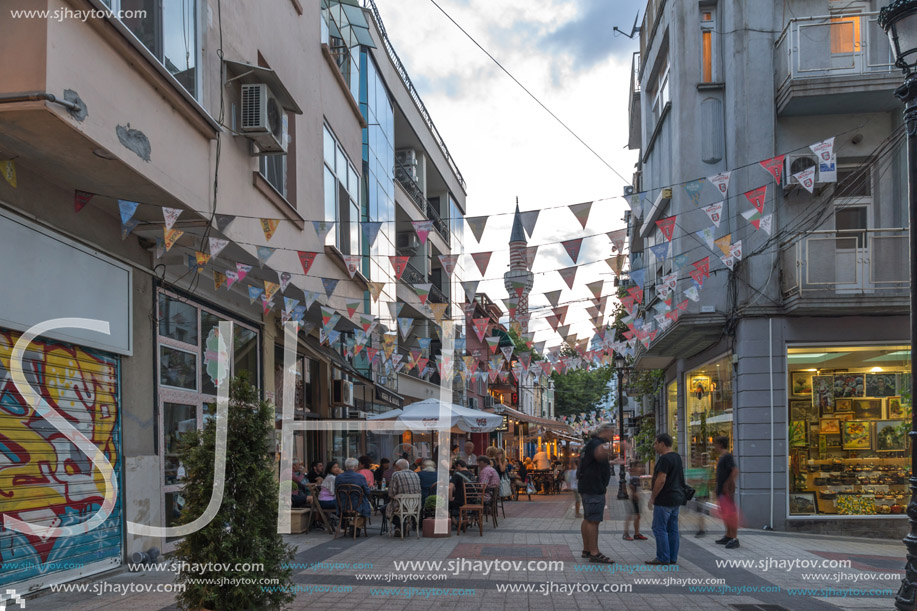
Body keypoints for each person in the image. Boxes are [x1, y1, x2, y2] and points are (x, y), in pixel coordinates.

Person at [578, 422, 617, 564]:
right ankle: (594, 552)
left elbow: (594, 460)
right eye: (612, 432)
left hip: (588, 486)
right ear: (605, 431)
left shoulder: (590, 443)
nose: (613, 435)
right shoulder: (597, 443)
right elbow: (599, 452)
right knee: (593, 520)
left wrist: (611, 463)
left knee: (588, 518)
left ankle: (586, 549)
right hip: (593, 487)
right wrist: (617, 447)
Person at [647, 433, 687, 566]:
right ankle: (672, 557)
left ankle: (663, 557)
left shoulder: (664, 459)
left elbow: (661, 479)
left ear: (662, 444)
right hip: (676, 498)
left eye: (656, 443)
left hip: (664, 499)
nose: (654, 446)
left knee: (659, 528)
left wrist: (653, 497)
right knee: (672, 529)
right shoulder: (676, 457)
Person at [714, 436, 740, 549]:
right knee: (725, 514)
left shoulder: (727, 456)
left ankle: (734, 538)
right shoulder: (723, 457)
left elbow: (735, 471)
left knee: (730, 514)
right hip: (721, 490)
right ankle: (728, 535)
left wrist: (727, 484)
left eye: (716, 444)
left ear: (720, 444)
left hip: (726, 491)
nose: (714, 447)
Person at [387, 458, 422, 536]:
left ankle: (400, 525)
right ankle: (400, 526)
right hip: (414, 505)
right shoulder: (415, 474)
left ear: (398, 467)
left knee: (384, 508)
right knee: (398, 506)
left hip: (401, 505)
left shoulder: (396, 474)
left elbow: (391, 493)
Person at [335, 457, 373, 530]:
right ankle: (355, 525)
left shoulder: (338, 477)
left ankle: (353, 525)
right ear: (355, 467)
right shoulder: (360, 477)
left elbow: (336, 491)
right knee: (370, 508)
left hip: (342, 504)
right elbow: (367, 492)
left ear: (346, 467)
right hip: (357, 505)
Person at [622, 462, 648, 541]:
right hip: (631, 498)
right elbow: (629, 485)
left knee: (637, 516)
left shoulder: (637, 476)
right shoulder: (630, 476)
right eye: (639, 466)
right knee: (630, 516)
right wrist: (634, 493)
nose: (641, 468)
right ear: (634, 468)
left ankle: (637, 533)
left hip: (636, 498)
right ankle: (626, 534)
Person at [448, 460, 474, 529]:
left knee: (447, 504)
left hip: (461, 501)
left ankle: (456, 522)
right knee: (457, 501)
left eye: (456, 467)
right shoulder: (472, 475)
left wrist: (450, 498)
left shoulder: (457, 475)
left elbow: (450, 487)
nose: (456, 469)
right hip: (472, 501)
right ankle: (465, 521)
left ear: (459, 465)